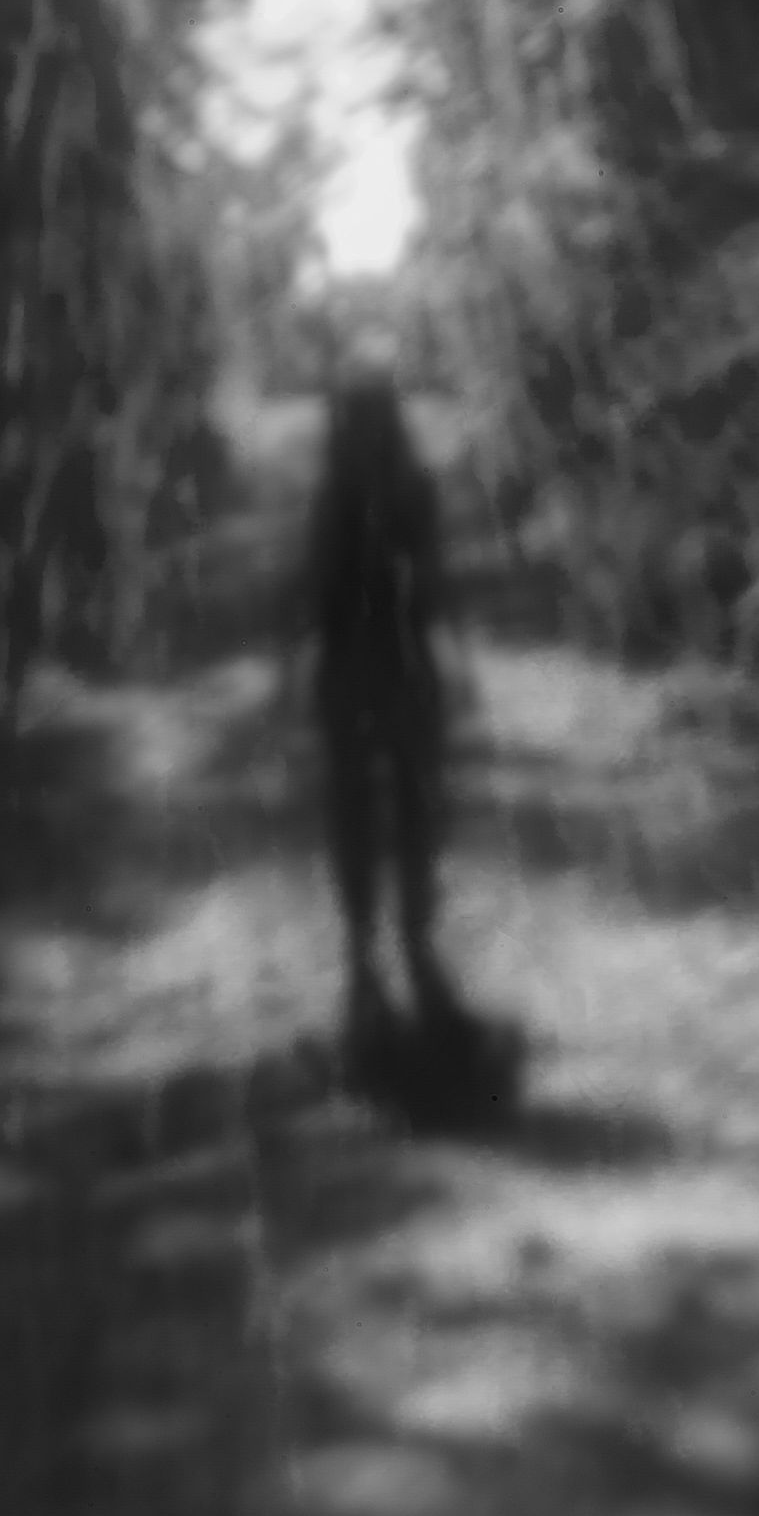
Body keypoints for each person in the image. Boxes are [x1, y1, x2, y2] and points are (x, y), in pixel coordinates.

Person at [300, 341, 465, 1058]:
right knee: (410, 812)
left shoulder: (336, 495)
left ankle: (371, 954)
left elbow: (311, 593)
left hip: (354, 672)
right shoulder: (410, 487)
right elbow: (434, 582)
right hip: (399, 668)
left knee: (361, 817)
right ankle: (407, 945)